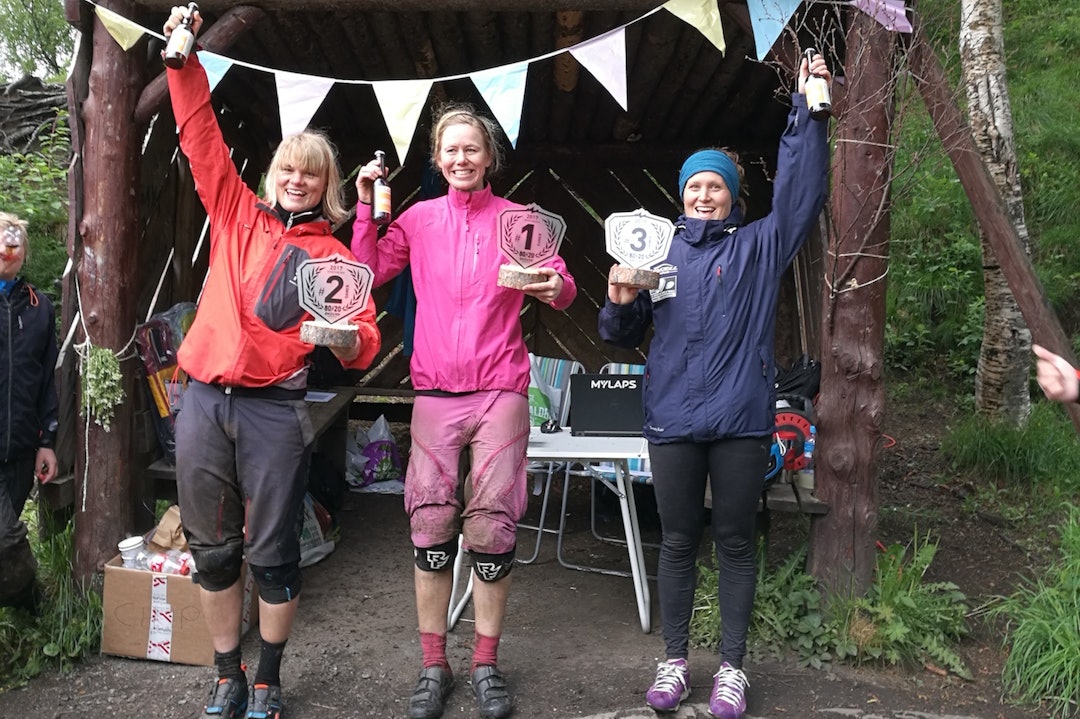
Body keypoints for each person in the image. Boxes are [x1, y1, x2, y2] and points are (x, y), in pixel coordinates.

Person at [598, 52, 832, 719]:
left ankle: (732, 667)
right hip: (671, 417)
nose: (704, 195)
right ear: (682, 194)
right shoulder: (654, 251)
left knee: (733, 540)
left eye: (716, 186)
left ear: (733, 195)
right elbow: (620, 332)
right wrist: (618, 299)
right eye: (695, 186)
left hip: (740, 416)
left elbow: (802, 194)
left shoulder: (759, 247)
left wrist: (806, 115)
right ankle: (674, 661)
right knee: (675, 540)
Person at [162, 7, 381, 719]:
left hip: (274, 408)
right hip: (200, 397)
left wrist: (345, 343)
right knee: (212, 548)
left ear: (326, 185)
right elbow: (200, 138)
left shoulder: (338, 259)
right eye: (287, 168)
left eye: (309, 173)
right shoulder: (235, 213)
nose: (295, 180)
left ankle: (269, 679)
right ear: (273, 174)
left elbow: (363, 339)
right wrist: (181, 63)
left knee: (273, 551)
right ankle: (226, 673)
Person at [351, 104, 577, 719]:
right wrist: (369, 204)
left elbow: (561, 284)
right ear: (436, 157)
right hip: (434, 395)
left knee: (493, 526)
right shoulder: (418, 219)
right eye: (450, 149)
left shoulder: (519, 220)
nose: (461, 159)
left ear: (489, 156)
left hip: (500, 389)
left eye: (472, 148)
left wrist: (554, 287)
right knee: (428, 524)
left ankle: (484, 663)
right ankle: (432, 665)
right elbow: (369, 270)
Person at [0, 212, 59, 616]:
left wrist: (47, 442)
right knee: (7, 537)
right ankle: (31, 603)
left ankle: (20, 614)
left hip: (20, 448)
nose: (9, 247)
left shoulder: (39, 309)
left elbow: (46, 383)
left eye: (15, 240)